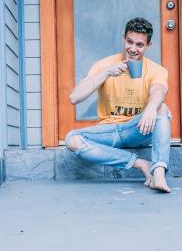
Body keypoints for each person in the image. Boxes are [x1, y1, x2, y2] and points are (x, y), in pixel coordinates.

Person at [65, 17, 171, 193]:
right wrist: (106, 72)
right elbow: (74, 98)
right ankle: (141, 164)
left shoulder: (156, 70)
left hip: (136, 129)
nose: (133, 49)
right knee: (72, 140)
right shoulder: (104, 65)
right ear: (123, 38)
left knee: (162, 107)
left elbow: (159, 90)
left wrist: (151, 108)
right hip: (109, 131)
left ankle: (158, 171)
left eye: (140, 45)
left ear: (148, 46)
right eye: (130, 42)